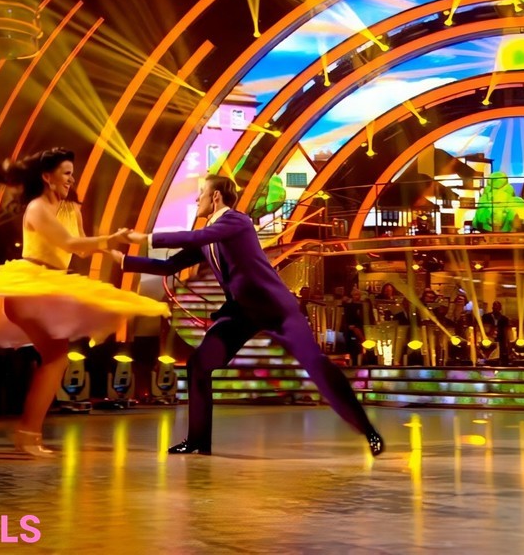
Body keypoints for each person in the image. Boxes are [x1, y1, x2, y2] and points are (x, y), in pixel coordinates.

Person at [0, 147, 170, 458]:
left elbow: (80, 249)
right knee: (56, 358)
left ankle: (28, 433)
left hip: (49, 287)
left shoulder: (71, 208)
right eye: (66, 173)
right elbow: (68, 243)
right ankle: (27, 433)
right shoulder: (36, 208)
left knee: (56, 358)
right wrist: (110, 239)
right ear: (47, 177)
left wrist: (109, 250)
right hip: (29, 288)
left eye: (72, 173)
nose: (71, 179)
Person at [110, 175, 383, 456]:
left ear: (216, 196)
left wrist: (147, 237)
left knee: (317, 366)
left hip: (274, 308)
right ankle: (198, 440)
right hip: (241, 312)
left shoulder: (236, 221)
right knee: (199, 364)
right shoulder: (209, 236)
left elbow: (198, 236)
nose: (197, 199)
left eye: (201, 193)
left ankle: (368, 431)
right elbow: (169, 266)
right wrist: (125, 261)